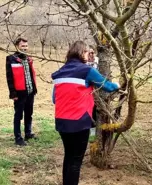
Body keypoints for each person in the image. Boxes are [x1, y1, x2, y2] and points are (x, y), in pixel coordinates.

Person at [51, 41, 119, 185]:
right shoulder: (87, 71)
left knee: (69, 157)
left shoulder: (60, 72)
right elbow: (106, 86)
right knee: (76, 160)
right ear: (82, 53)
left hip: (62, 122)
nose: (90, 56)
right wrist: (117, 85)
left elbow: (54, 98)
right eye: (88, 53)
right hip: (79, 122)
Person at [6, 37, 37, 146]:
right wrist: (13, 93)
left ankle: (28, 133)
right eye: (22, 46)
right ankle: (18, 138)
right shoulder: (11, 59)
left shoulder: (29, 58)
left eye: (26, 46)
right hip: (19, 93)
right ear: (17, 46)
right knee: (18, 115)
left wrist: (34, 89)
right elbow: (9, 78)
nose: (25, 48)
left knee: (29, 113)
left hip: (30, 91)